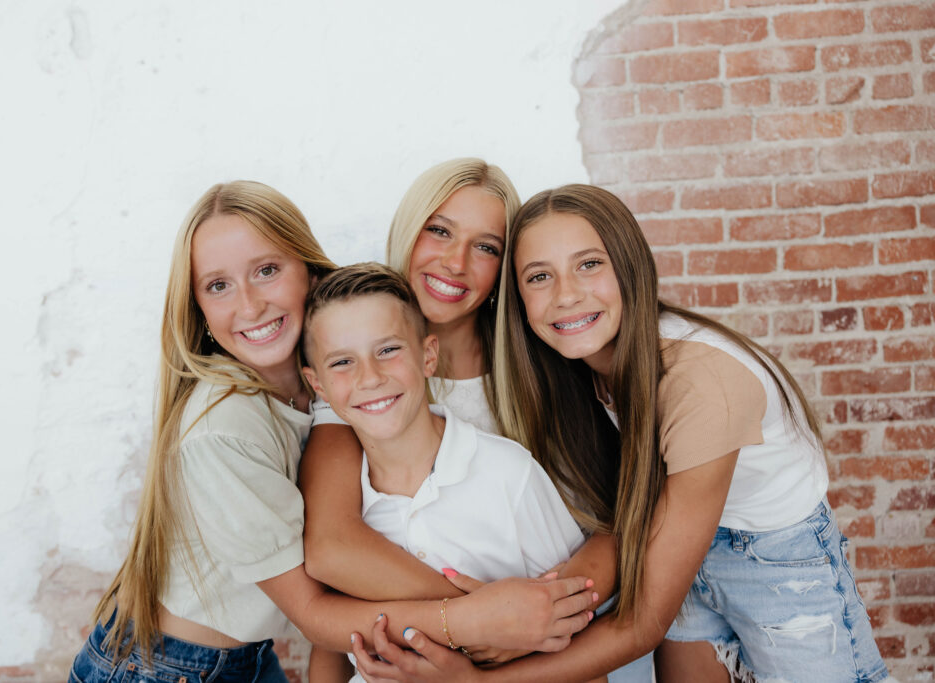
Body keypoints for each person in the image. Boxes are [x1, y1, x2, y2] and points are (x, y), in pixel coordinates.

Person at [352, 184, 889, 683]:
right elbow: (617, 517)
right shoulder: (566, 360)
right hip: (662, 534)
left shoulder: (700, 382)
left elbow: (641, 625)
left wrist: (478, 678)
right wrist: (527, 616)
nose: (566, 295)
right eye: (539, 276)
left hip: (773, 558)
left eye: (589, 264)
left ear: (629, 265)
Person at [67, 181, 597, 683]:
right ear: (199, 308)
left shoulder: (337, 386)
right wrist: (483, 619)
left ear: (311, 273)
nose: (249, 305)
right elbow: (316, 608)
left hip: (248, 658)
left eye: (267, 270)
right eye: (218, 285)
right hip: (166, 667)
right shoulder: (223, 429)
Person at [301, 262, 590, 682]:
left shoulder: (509, 475)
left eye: (388, 350)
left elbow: (580, 649)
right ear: (318, 386)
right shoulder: (338, 508)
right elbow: (329, 639)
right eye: (342, 361)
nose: (370, 377)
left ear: (428, 356)